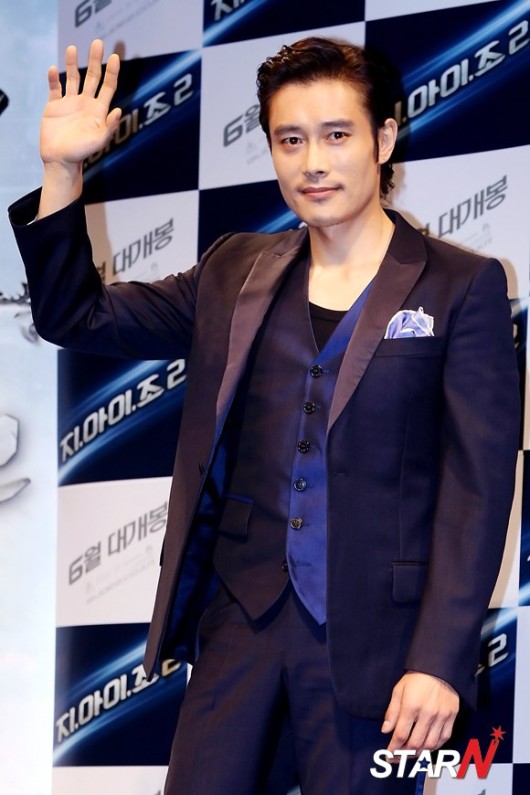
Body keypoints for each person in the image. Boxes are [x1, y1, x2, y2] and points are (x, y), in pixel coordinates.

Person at [9, 36, 519, 795]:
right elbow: (74, 316)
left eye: (336, 135)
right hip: (239, 628)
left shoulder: (461, 285)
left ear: (383, 138)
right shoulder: (233, 269)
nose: (313, 162)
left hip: (379, 646)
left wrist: (439, 660)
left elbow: (477, 488)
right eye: (290, 139)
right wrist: (62, 172)